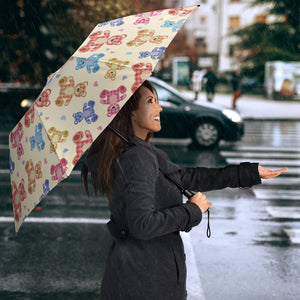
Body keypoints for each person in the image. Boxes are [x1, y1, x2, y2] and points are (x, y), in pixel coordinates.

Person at [81, 80, 287, 300]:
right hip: (145, 282)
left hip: (143, 276)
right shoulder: (137, 158)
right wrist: (192, 210)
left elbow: (187, 177)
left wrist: (249, 173)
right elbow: (142, 225)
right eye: (150, 101)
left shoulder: (142, 152)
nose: (159, 108)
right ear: (130, 113)